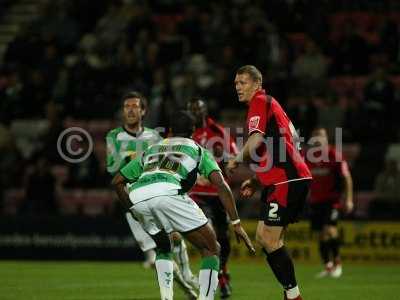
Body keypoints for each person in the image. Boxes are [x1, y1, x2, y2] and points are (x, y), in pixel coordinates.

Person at [112, 111, 255, 300]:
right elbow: (221, 185)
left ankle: (166, 298)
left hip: (138, 196)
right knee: (212, 249)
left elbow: (117, 181)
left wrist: (133, 208)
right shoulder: (197, 149)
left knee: (163, 247)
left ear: (169, 131)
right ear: (193, 131)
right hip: (167, 192)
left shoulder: (152, 148)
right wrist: (236, 222)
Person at [227, 65, 312, 300]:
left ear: (257, 84)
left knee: (267, 238)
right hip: (287, 177)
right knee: (271, 238)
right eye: (235, 83)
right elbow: (285, 146)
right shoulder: (272, 106)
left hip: (286, 179)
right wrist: (256, 179)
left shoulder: (260, 100)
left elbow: (256, 139)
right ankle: (290, 294)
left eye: (242, 82)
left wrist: (236, 159)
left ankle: (294, 296)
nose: (237, 87)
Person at [106, 92, 197, 298]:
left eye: (135, 106)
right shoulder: (113, 136)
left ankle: (187, 275)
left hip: (156, 193)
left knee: (172, 238)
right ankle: (187, 289)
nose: (130, 109)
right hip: (133, 199)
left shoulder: (155, 136)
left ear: (143, 111)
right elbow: (113, 169)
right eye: (126, 106)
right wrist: (138, 160)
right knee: (161, 249)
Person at [187, 98, 238, 298]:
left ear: (205, 111)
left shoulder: (218, 132)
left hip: (218, 194)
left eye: (198, 109)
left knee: (223, 238)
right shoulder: (184, 133)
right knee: (208, 233)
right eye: (191, 110)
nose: (195, 113)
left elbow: (234, 161)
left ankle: (222, 274)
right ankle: (207, 280)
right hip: (196, 193)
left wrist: (223, 158)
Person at [305, 127, 354, 278]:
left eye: (321, 136)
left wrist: (349, 199)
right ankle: (328, 266)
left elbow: (346, 178)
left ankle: (338, 264)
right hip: (315, 201)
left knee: (330, 230)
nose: (318, 139)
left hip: (332, 201)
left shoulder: (334, 155)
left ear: (326, 138)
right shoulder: (308, 157)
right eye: (315, 136)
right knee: (321, 235)